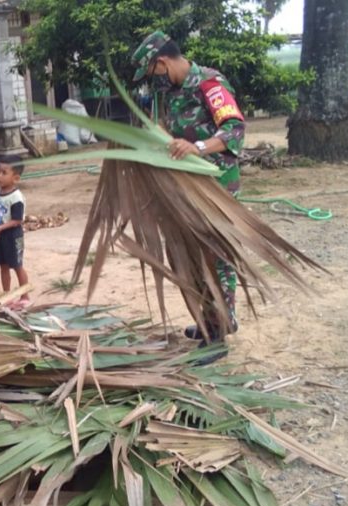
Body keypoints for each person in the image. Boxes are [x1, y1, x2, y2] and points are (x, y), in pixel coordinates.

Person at [131, 31, 246, 364]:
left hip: (216, 184)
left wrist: (196, 147)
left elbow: (235, 131)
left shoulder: (209, 84)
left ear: (162, 62)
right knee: (188, 253)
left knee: (215, 253)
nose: (154, 81)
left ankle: (220, 331)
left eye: (152, 73)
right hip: (186, 185)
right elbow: (175, 133)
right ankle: (209, 320)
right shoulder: (173, 92)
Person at [0, 155, 30, 308]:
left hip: (12, 235)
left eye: (4, 173)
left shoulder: (16, 198)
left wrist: (1, 227)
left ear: (15, 178)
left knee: (17, 265)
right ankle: (7, 295)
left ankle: (25, 295)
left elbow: (18, 220)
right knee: (3, 266)